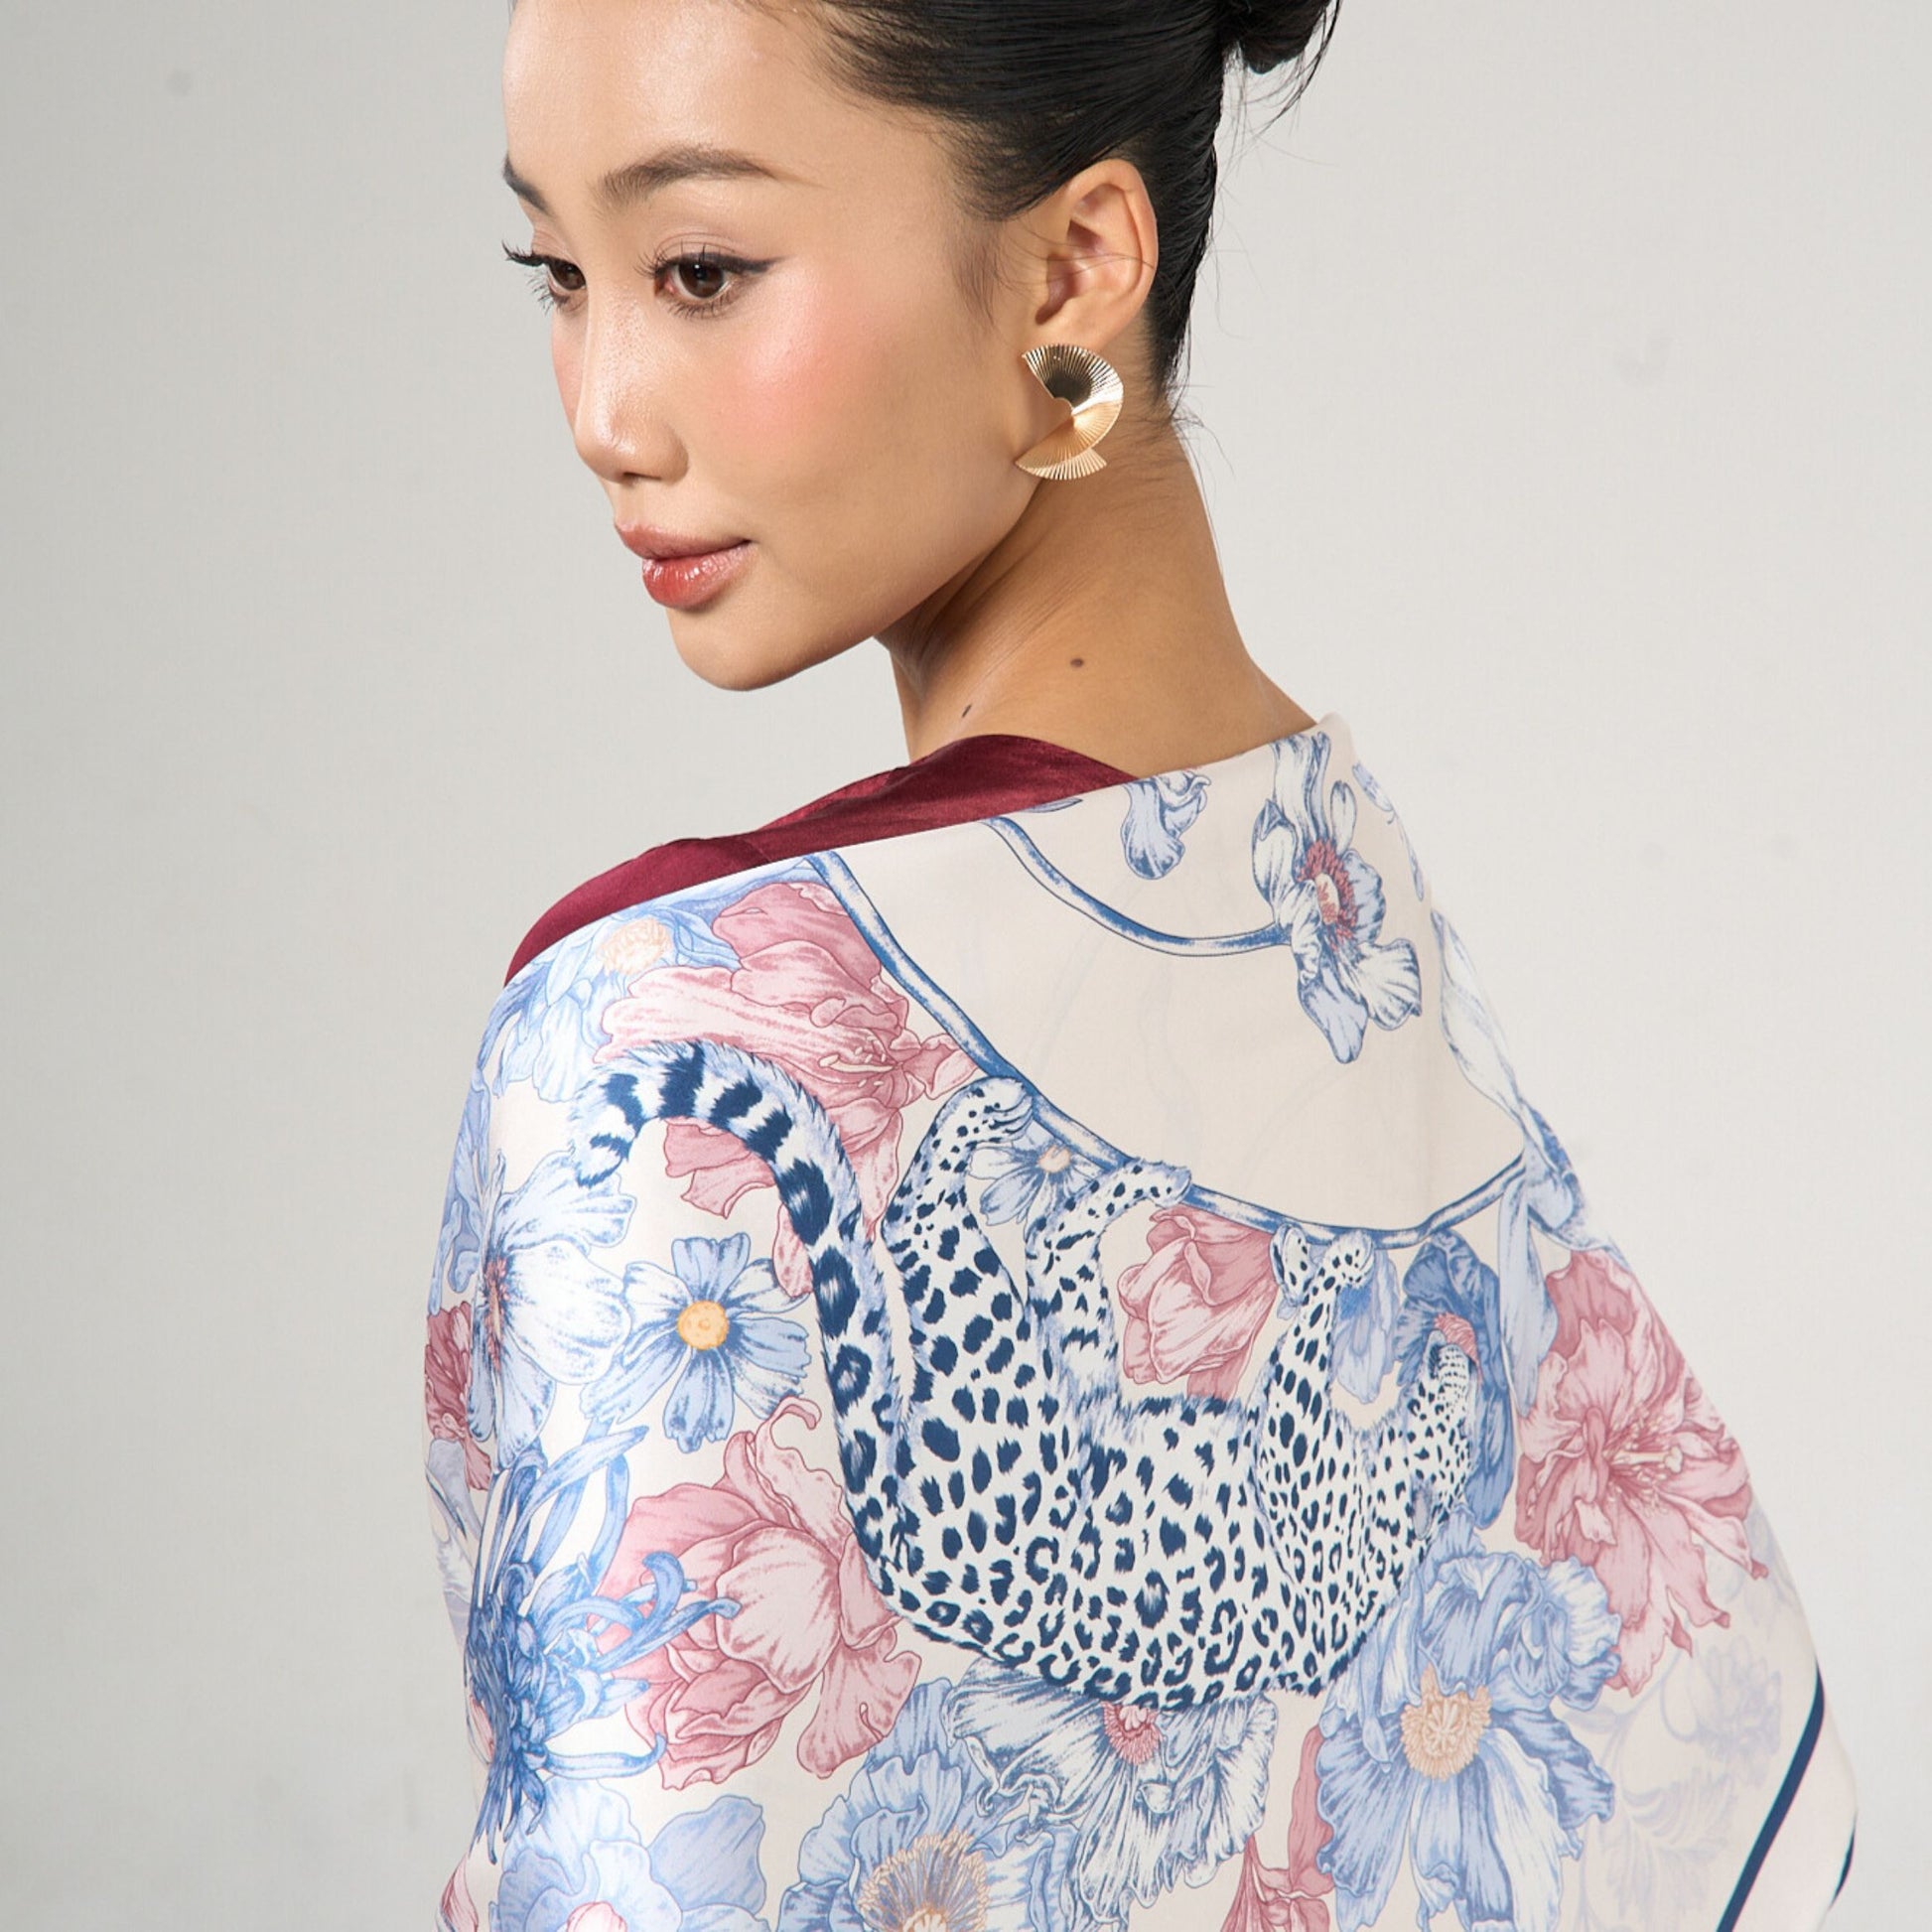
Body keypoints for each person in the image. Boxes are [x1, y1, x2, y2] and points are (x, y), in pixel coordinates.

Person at [421, 3, 1857, 1927]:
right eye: (556, 273)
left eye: (697, 270)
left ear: (1074, 266)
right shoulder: (1329, 892)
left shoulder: (667, 1013)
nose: (603, 410)